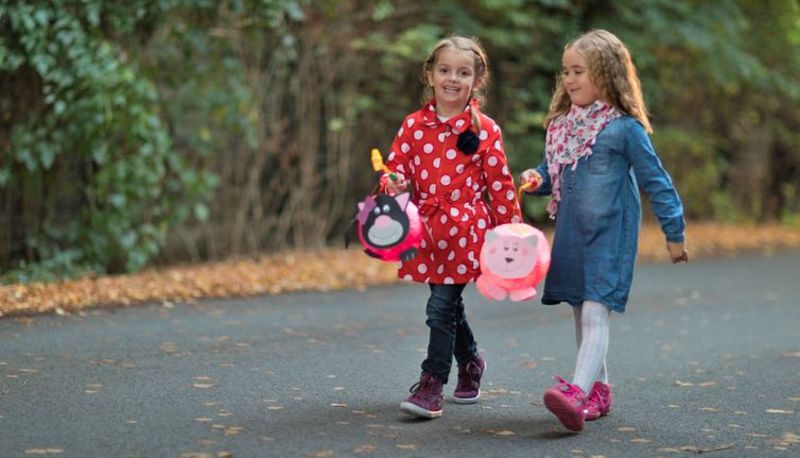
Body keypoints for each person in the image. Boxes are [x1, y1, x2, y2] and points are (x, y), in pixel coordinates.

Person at [519, 29, 689, 432]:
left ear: (607, 74)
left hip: (611, 234)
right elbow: (553, 170)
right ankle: (598, 390)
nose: (569, 80)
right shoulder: (562, 125)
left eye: (579, 71)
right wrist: (536, 178)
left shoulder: (623, 128)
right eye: (565, 72)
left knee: (596, 309)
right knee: (581, 310)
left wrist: (674, 230)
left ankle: (576, 393)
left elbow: (656, 180)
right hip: (574, 234)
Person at [379, 35, 522, 419]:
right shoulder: (413, 126)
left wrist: (512, 233)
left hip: (464, 230)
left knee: (440, 306)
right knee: (448, 305)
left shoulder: (484, 129)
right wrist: (393, 184)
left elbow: (500, 184)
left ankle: (432, 384)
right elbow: (396, 169)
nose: (452, 79)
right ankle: (471, 361)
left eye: (463, 73)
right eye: (445, 70)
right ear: (430, 74)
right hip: (426, 231)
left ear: (476, 81)